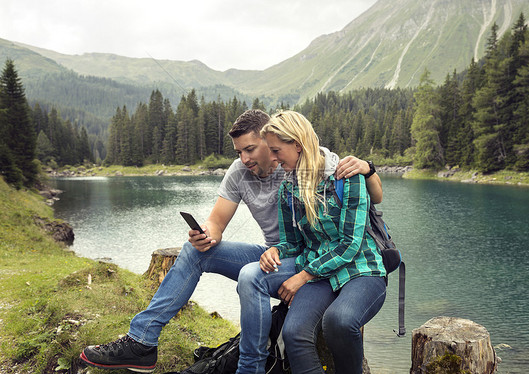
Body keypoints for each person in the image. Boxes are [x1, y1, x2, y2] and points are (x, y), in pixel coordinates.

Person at [79, 109, 382, 373]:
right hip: (281, 254)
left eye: (251, 149)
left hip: (308, 260)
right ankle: (141, 342)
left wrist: (369, 169)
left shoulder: (306, 166)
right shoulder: (246, 174)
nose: (245, 158)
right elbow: (218, 220)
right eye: (238, 152)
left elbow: (372, 198)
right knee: (196, 252)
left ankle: (252, 364)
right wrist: (207, 234)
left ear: (270, 139)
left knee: (260, 281)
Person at [236, 110, 386, 374]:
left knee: (339, 321)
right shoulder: (287, 189)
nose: (270, 157)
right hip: (321, 275)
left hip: (362, 269)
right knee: (294, 333)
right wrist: (274, 250)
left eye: (276, 150)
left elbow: (350, 244)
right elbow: (293, 244)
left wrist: (303, 276)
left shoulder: (346, 177)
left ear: (297, 144)